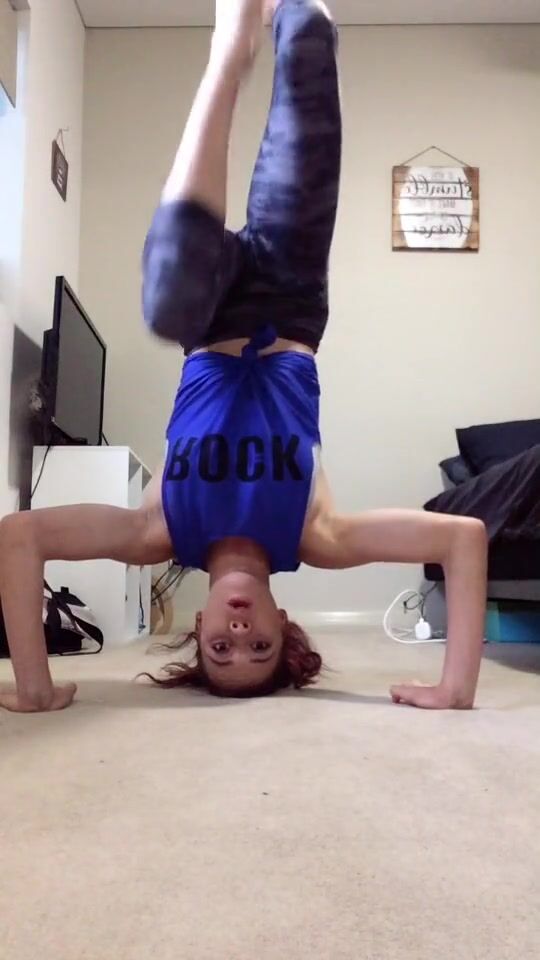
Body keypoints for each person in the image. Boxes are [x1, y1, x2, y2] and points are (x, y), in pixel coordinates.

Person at [0, 0, 487, 713]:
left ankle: (228, 54)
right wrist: (455, 689)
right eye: (260, 646)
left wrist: (36, 688)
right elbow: (465, 539)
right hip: (290, 304)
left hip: (202, 313)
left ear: (196, 624)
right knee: (310, 42)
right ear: (282, 621)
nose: (237, 634)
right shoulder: (315, 536)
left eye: (219, 649)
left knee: (167, 306)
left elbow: (19, 534)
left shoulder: (158, 531)